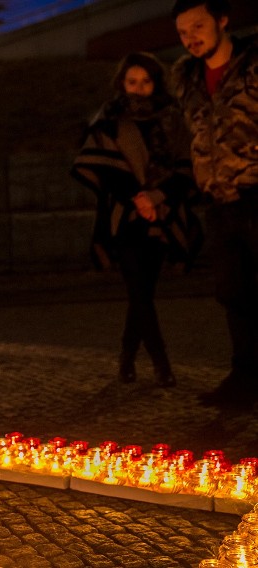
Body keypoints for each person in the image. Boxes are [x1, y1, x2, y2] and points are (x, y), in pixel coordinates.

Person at [72, 52, 200, 388]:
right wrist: (137, 197)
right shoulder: (109, 119)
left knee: (142, 292)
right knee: (139, 292)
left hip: (162, 213)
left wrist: (156, 197)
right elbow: (104, 168)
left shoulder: (172, 119)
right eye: (132, 82)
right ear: (121, 83)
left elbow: (186, 165)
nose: (139, 88)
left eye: (146, 82)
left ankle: (127, 357)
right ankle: (162, 363)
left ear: (155, 83)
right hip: (125, 217)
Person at [170, 0, 258, 407]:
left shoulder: (253, 65)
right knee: (233, 294)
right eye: (183, 31)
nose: (191, 38)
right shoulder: (185, 77)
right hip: (219, 203)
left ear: (223, 21)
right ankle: (244, 378)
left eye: (198, 26)